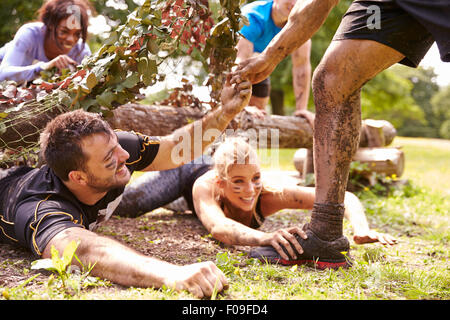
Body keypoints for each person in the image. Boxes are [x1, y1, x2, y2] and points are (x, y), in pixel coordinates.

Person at [231, 0, 449, 267]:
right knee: (333, 79)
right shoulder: (254, 17)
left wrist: (270, 57)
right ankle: (325, 234)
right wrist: (270, 57)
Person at [0, 78, 252, 298]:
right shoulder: (41, 207)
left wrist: (225, 112)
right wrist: (170, 273)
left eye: (117, 145)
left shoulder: (114, 148)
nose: (124, 156)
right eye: (110, 159)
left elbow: (173, 148)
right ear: (78, 177)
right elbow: (81, 249)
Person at [115, 138, 397, 269]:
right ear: (222, 183)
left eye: (255, 178)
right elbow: (219, 226)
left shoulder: (269, 195)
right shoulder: (207, 186)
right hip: (185, 176)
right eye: (238, 182)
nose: (249, 190)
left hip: (200, 195)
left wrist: (360, 228)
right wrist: (266, 237)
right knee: (125, 205)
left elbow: (343, 197)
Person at [237, 0, 314, 123]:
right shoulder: (253, 17)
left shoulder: (300, 26)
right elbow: (239, 62)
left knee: (258, 115)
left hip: (259, 65)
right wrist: (242, 106)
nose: (294, 3)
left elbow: (301, 67)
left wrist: (301, 109)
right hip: (229, 64)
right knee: (238, 114)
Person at [0, 0, 92, 83]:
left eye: (77, 34)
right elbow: (3, 74)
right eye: (64, 31)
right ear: (51, 25)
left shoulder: (81, 51)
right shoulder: (30, 34)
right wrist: (43, 68)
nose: (71, 39)